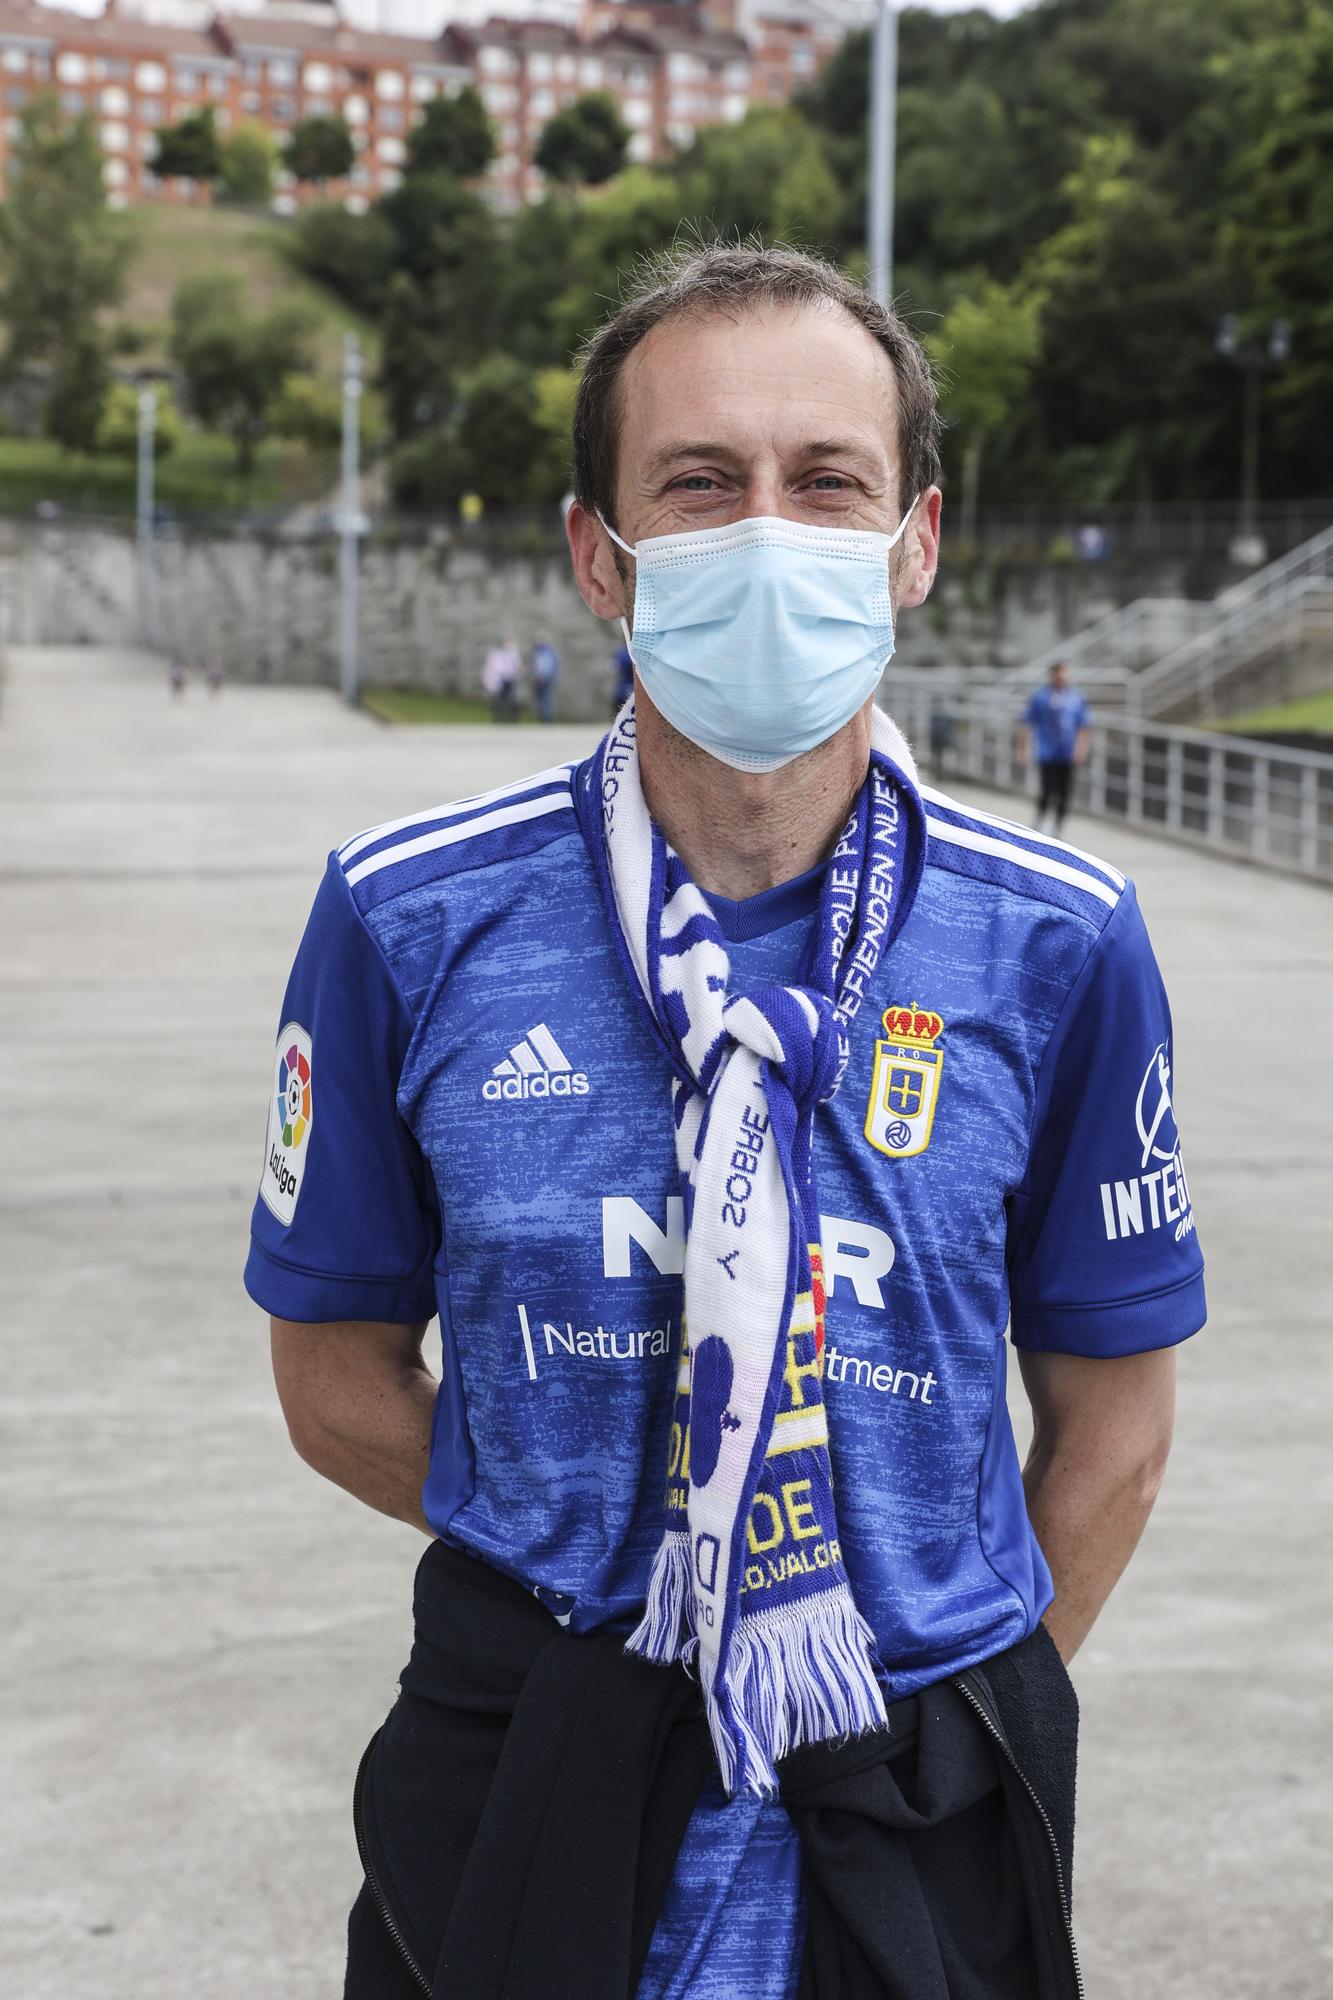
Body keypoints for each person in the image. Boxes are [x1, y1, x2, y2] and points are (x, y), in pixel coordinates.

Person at [246, 245, 1204, 2000]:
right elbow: (329, 1377)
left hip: (912, 1792)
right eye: (698, 483)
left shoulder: (1059, 944)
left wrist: (946, 1687)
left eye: (824, 480)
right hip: (531, 1754)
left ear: (910, 544)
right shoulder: (404, 921)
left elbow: (1114, 1425)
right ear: (598, 557)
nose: (768, 528)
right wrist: (622, 1569)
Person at [1020, 659, 1091, 834]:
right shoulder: (1040, 697)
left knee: (1065, 791)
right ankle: (1040, 819)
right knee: (1047, 788)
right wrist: (1023, 749)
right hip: (1047, 750)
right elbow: (1027, 724)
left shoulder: (1076, 697)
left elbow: (1084, 725)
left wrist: (1081, 749)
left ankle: (1058, 825)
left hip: (1067, 751)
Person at [481, 635, 522, 723]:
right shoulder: (496, 652)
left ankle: (511, 719)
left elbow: (517, 666)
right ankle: (499, 719)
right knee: (498, 700)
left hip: (510, 679)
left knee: (510, 700)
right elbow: (493, 667)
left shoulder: (513, 652)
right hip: (499, 680)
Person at [529, 635, 560, 724]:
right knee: (541, 700)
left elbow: (548, 667)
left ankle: (548, 720)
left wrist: (545, 677)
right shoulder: (536, 652)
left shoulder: (548, 652)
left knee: (546, 700)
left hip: (545, 680)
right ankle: (543, 719)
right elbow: (534, 666)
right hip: (538, 680)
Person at [611, 634, 635, 717]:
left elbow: (614, 669)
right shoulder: (634, 652)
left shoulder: (621, 653)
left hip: (623, 690)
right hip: (632, 690)